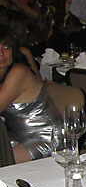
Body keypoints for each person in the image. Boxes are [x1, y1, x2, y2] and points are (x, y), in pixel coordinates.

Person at [0, 24, 61, 163]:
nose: (1, 53)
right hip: (17, 136)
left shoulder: (18, 72)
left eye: (6, 47)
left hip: (46, 138)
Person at [0, 7, 40, 77]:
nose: (1, 53)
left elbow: (37, 80)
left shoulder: (18, 69)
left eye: (6, 47)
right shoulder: (23, 51)